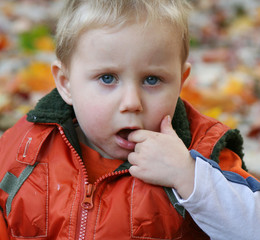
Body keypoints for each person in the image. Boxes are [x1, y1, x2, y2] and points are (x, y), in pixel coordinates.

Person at [0, 0, 260, 239]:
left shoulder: (203, 153)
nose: (132, 102)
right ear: (66, 84)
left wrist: (190, 177)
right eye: (107, 78)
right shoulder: (26, 149)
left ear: (181, 81)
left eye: (152, 79)